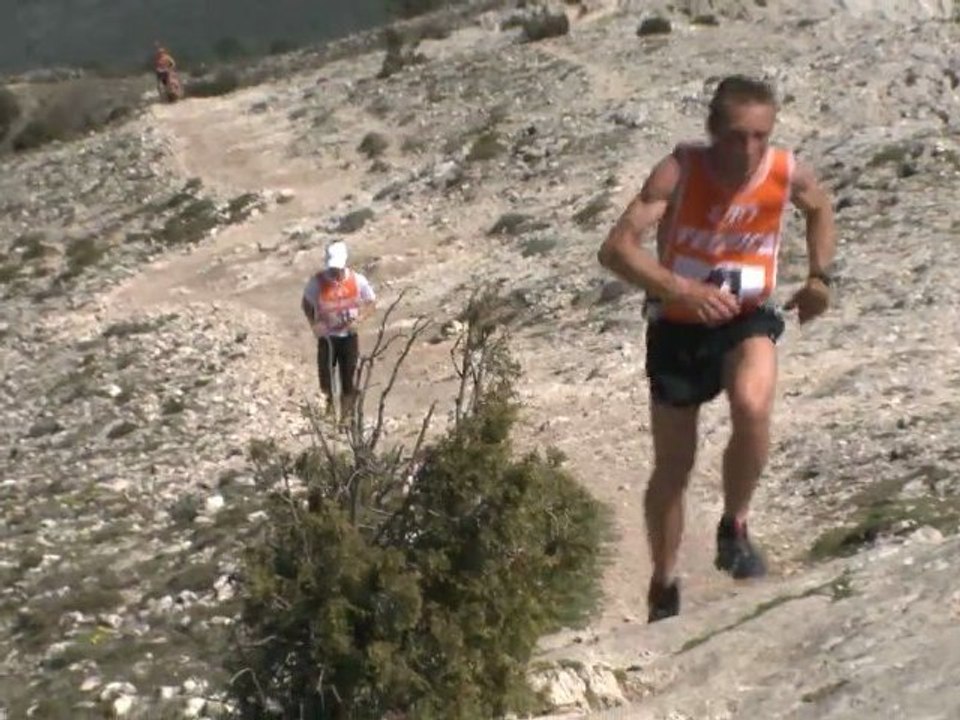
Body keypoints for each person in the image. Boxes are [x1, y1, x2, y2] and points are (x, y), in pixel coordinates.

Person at [597, 75, 837, 623]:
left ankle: (735, 525)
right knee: (674, 468)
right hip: (678, 327)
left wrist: (819, 277)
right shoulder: (680, 170)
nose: (749, 150)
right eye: (735, 136)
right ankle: (664, 581)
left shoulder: (784, 170)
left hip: (748, 317)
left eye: (760, 136)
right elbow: (615, 249)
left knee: (753, 407)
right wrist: (680, 289)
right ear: (712, 132)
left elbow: (820, 208)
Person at [301, 240, 377, 425]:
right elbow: (307, 303)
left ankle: (347, 417)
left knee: (348, 377)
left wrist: (359, 319)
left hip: (348, 336)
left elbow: (371, 302)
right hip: (327, 338)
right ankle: (328, 413)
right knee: (326, 375)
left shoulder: (357, 280)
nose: (334, 271)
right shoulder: (317, 282)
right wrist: (314, 324)